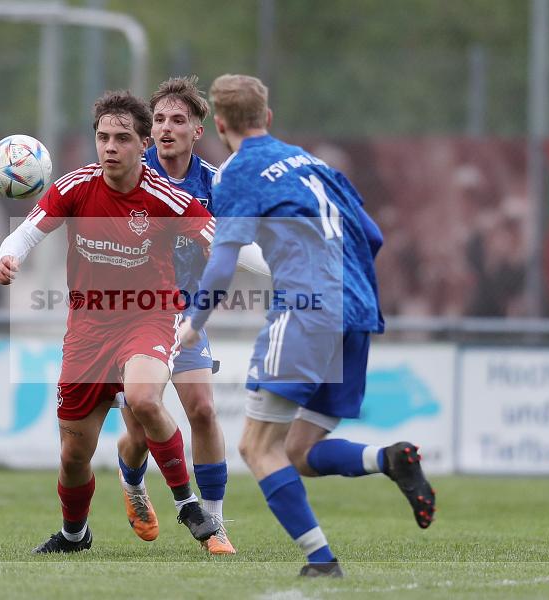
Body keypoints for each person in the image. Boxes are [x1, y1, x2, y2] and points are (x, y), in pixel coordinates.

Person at [178, 74, 436, 577]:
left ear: (222, 125)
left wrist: (195, 322)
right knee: (296, 451)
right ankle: (392, 459)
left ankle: (322, 561)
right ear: (268, 118)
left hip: (306, 307)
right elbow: (373, 235)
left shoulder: (234, 174)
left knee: (256, 446)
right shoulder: (316, 163)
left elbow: (223, 261)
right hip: (358, 309)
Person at [0, 90, 221, 553]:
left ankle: (188, 505)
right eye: (102, 137)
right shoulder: (76, 186)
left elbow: (226, 243)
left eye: (121, 138)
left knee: (143, 399)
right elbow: (27, 231)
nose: (110, 147)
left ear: (144, 145)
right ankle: (74, 535)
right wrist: (7, 257)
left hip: (150, 316)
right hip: (87, 331)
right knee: (74, 455)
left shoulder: (166, 198)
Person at [114, 76, 237, 555]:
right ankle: (133, 485)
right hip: (131, 314)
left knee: (203, 410)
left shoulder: (215, 184)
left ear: (197, 129)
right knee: (141, 434)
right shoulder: (128, 173)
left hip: (185, 313)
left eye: (177, 120)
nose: (167, 128)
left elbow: (229, 250)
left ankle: (216, 522)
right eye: (160, 119)